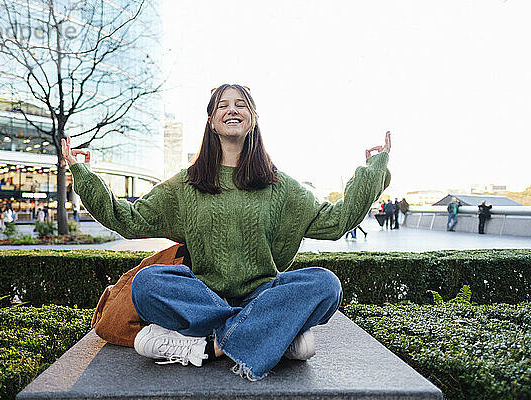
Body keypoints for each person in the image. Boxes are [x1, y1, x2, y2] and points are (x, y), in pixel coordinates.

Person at [61, 84, 392, 381]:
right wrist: (83, 173)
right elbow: (129, 220)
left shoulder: (280, 185)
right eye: (223, 105)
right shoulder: (187, 184)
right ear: (211, 121)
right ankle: (272, 336)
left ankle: (210, 346)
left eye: (241, 104)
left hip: (262, 294)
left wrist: (375, 170)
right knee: (147, 285)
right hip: (203, 297)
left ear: (253, 118)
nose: (232, 109)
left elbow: (336, 222)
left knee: (326, 285)